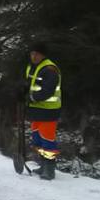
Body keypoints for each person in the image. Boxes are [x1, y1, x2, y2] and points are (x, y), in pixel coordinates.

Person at [25, 42, 62, 180]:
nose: (34, 56)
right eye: (32, 53)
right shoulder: (32, 67)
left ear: (43, 55)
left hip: (49, 110)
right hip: (36, 109)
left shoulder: (50, 69)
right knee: (38, 139)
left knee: (47, 139)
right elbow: (29, 85)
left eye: (37, 54)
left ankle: (50, 170)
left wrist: (31, 97)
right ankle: (43, 166)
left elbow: (48, 91)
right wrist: (21, 91)